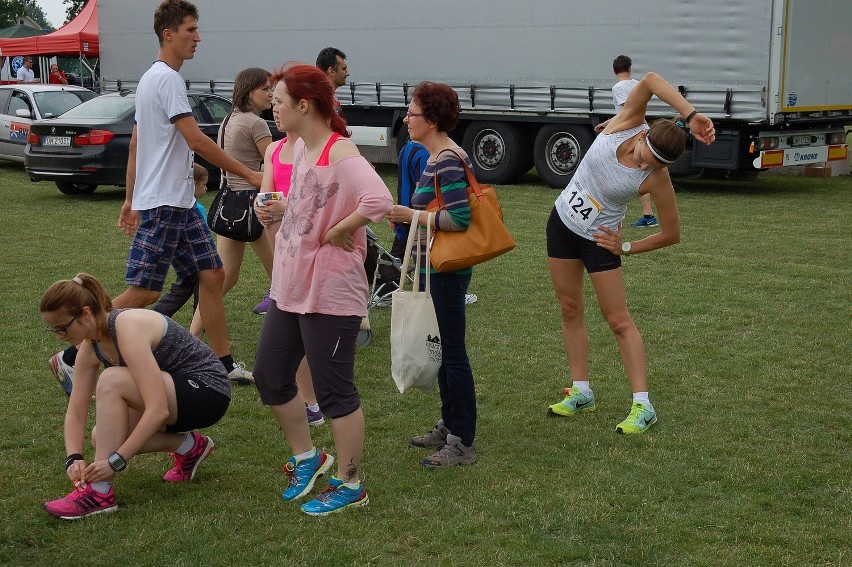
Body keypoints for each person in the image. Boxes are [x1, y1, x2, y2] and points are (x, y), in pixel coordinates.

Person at [253, 63, 392, 516]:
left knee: (335, 394)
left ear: (304, 105)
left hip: (329, 292)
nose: (273, 108)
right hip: (290, 286)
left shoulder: (339, 150)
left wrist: (341, 228)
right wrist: (279, 210)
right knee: (270, 376)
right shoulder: (301, 146)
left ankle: (351, 483)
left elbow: (378, 200)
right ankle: (309, 457)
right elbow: (313, 200)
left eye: (278, 101)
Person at [546, 71, 715, 434]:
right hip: (561, 224)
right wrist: (691, 114)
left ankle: (643, 405)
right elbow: (652, 80)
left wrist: (626, 246)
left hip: (600, 240)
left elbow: (672, 234)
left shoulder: (657, 178)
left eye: (652, 167)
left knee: (619, 321)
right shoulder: (627, 122)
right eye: (643, 157)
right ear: (642, 135)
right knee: (569, 308)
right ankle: (581, 391)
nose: (643, 168)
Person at [111, 0, 262, 387]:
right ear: (169, 34)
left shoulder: (150, 79)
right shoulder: (167, 80)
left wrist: (130, 199)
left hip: (176, 201)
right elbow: (195, 139)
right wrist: (249, 173)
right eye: (191, 30)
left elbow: (136, 146)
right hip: (164, 203)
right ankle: (75, 351)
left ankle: (223, 363)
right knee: (144, 291)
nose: (198, 37)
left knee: (211, 274)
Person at [40, 273, 230, 520]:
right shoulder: (91, 345)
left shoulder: (125, 328)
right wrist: (73, 457)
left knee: (111, 380)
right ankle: (191, 447)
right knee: (102, 438)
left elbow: (158, 409)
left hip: (208, 392)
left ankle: (99, 493)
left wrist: (116, 461)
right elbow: (76, 412)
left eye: (62, 328)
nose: (59, 337)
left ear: (85, 313)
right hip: (175, 395)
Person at [385, 81, 479, 468]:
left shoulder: (447, 159)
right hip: (434, 264)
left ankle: (462, 441)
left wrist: (412, 215)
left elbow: (459, 218)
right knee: (442, 348)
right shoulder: (432, 156)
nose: (406, 118)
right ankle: (450, 425)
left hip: (446, 267)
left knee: (453, 353)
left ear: (433, 119)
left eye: (413, 113)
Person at [253, 81, 323, 427]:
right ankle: (306, 400)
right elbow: (267, 191)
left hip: (307, 245)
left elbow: (320, 201)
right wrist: (262, 206)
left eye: (280, 102)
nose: (274, 108)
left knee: (301, 323)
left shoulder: (317, 148)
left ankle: (311, 400)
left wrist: (284, 208)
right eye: (273, 102)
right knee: (290, 321)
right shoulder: (274, 149)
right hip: (279, 240)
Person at [187, 68, 275, 327]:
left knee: (225, 279)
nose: (271, 94)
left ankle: (194, 335)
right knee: (281, 276)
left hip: (229, 204)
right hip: (254, 207)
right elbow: (273, 167)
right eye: (266, 89)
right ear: (250, 92)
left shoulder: (228, 120)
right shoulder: (256, 123)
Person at [605, 55, 659, 228]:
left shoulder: (618, 87)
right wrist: (606, 123)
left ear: (614, 70)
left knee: (634, 173)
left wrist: (610, 127)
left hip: (629, 134)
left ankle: (647, 216)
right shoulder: (637, 84)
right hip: (642, 130)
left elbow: (626, 113)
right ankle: (648, 216)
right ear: (630, 68)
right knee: (643, 173)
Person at [152, 163, 208, 317]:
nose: (206, 188)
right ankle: (200, 319)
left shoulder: (174, 206)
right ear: (193, 184)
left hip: (182, 259)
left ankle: (157, 315)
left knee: (180, 290)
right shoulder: (197, 210)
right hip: (196, 260)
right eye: (204, 184)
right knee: (200, 291)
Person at [315, 47, 349, 114]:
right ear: (331, 71)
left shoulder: (320, 97)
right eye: (344, 69)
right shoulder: (323, 101)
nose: (348, 74)